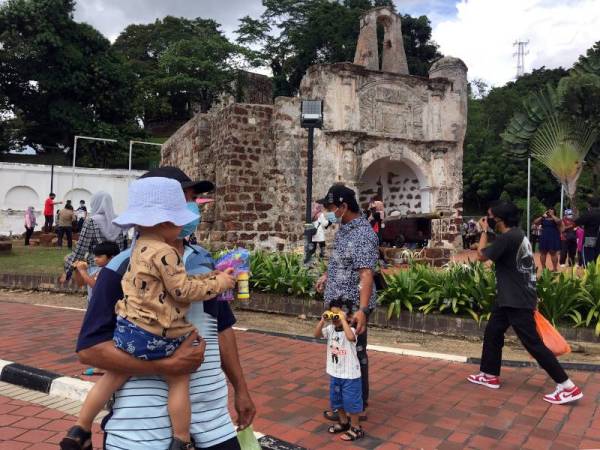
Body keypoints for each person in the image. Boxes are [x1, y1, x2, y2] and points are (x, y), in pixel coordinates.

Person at [68, 166, 255, 450]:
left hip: (213, 422)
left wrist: (241, 389)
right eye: (183, 199)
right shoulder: (120, 268)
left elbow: (222, 328)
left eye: (192, 199)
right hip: (143, 430)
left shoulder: (204, 262)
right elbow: (89, 350)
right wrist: (165, 365)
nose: (191, 208)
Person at [468, 201, 583, 405]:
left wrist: (483, 232)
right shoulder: (518, 235)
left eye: (489, 217)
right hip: (510, 298)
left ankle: (567, 386)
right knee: (493, 332)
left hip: (516, 300)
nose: (487, 220)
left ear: (499, 220)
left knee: (534, 344)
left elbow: (480, 256)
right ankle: (489, 374)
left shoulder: (508, 237)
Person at [315, 184, 378, 421]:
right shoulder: (344, 228)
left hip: (353, 305)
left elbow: (365, 274)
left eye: (330, 208)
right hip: (338, 304)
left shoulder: (363, 233)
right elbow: (343, 262)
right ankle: (342, 407)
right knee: (339, 353)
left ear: (343, 206)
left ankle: (357, 409)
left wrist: (362, 310)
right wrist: (327, 276)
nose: (327, 212)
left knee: (354, 355)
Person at [314, 305, 364, 442]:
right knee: (337, 400)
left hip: (350, 375)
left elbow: (350, 337)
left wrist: (343, 320)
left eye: (338, 314)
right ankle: (344, 422)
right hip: (335, 373)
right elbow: (316, 335)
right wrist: (323, 320)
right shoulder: (330, 329)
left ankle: (356, 428)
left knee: (351, 402)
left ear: (348, 317)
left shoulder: (353, 329)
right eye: (333, 315)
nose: (335, 317)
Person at [62, 192, 127, 284]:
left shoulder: (91, 221)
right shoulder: (118, 220)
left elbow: (81, 248)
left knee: (95, 296)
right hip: (116, 266)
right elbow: (121, 245)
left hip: (96, 265)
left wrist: (69, 269)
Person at [575, 198, 600, 266]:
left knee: (588, 257)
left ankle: (589, 274)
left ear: (589, 205)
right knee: (597, 257)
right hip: (598, 238)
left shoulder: (589, 214)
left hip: (590, 238)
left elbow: (576, 223)